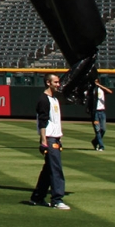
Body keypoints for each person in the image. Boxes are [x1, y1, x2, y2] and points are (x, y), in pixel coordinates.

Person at [31, 73, 69, 210]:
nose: (58, 85)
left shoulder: (54, 99)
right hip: (49, 138)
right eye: (56, 82)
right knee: (56, 169)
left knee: (48, 169)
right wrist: (43, 141)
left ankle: (37, 197)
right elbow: (42, 122)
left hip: (55, 138)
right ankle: (57, 199)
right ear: (48, 83)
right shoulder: (44, 100)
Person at [91, 78, 112, 151]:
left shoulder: (101, 90)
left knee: (103, 129)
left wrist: (100, 85)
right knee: (98, 130)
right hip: (95, 112)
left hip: (102, 111)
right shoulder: (92, 90)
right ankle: (101, 146)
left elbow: (110, 92)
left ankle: (95, 141)